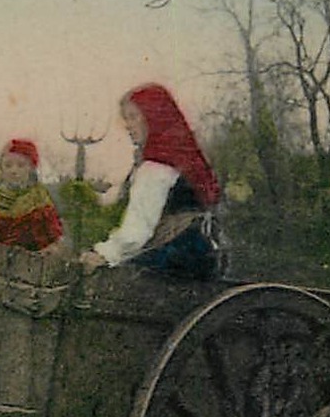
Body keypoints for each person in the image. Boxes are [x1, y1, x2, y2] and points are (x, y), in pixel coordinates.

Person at [80, 83, 223, 280]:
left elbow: (138, 229)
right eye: (126, 119)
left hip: (176, 258)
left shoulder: (157, 167)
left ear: (153, 118)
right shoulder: (183, 158)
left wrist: (104, 254)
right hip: (200, 253)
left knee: (108, 279)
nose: (128, 126)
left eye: (133, 117)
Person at [0, 138, 64, 252]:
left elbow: (52, 234)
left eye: (21, 165)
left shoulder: (40, 198)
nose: (14, 171)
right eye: (8, 165)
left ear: (31, 169)